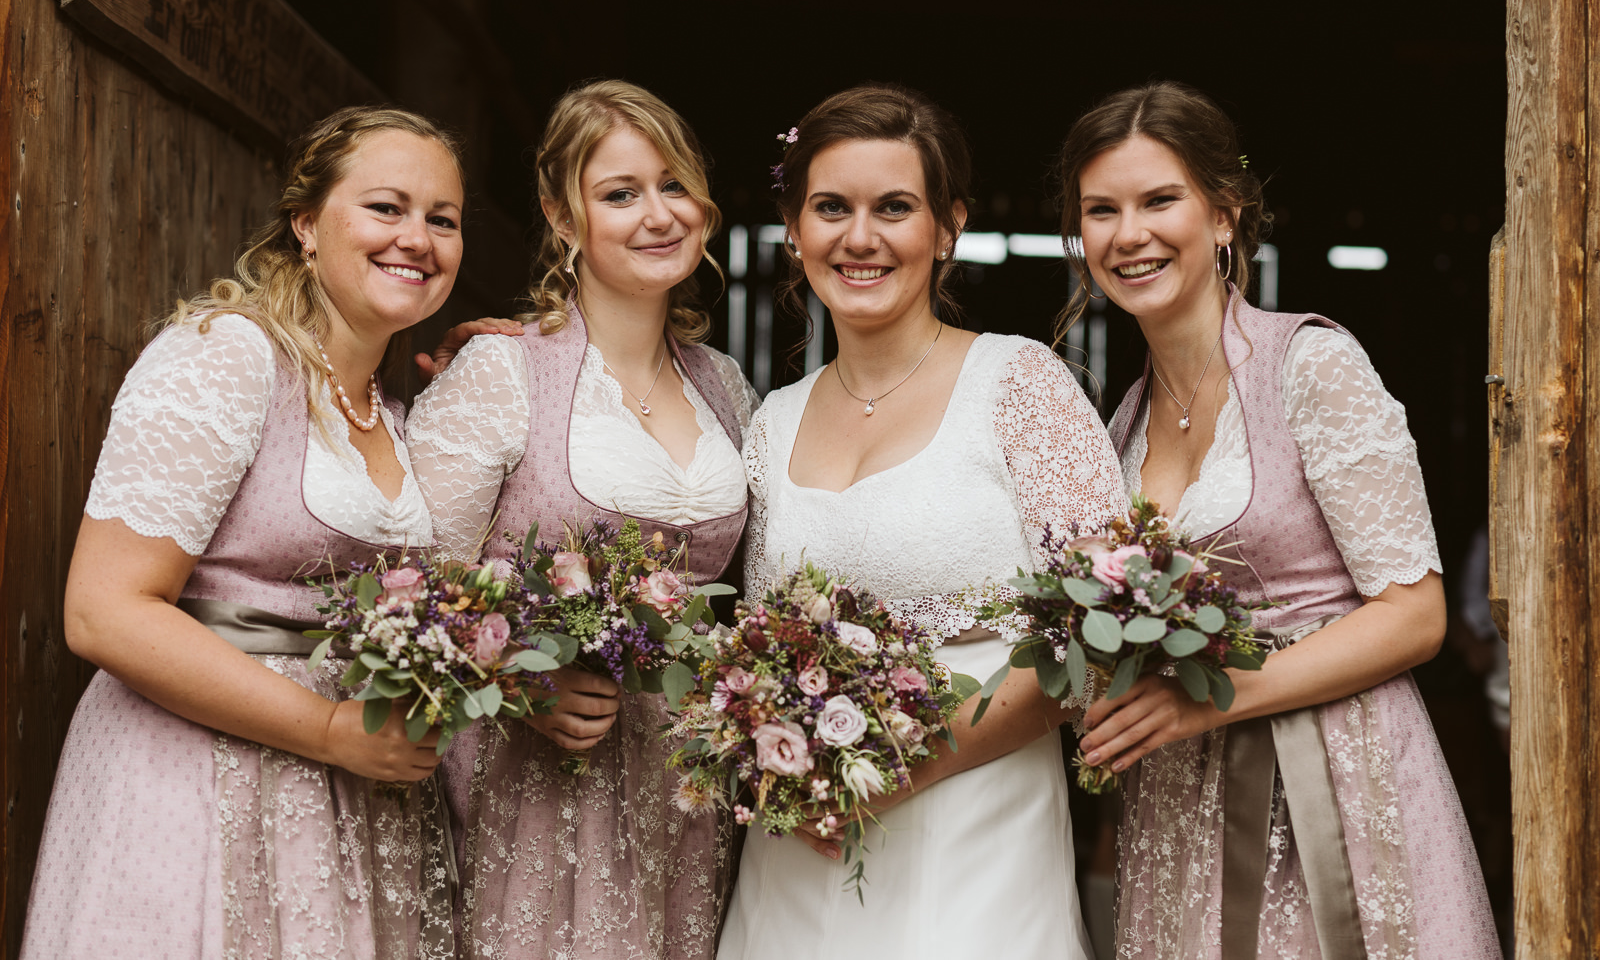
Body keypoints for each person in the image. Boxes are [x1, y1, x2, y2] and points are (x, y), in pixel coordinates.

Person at [21, 106, 475, 959]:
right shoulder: (227, 358)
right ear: (306, 223)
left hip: (355, 811)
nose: (417, 237)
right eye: (386, 207)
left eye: (442, 220)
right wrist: (332, 729)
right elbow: (104, 608)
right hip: (192, 782)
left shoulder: (405, 415)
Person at [1064, 82, 1500, 958]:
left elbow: (1414, 614)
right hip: (1181, 804)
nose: (1128, 233)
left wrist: (1206, 701)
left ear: (1224, 216)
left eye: (1159, 200)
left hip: (1333, 777)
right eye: (1100, 211)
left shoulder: (1313, 366)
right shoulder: (1121, 426)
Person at [717, 84, 1125, 960]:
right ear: (794, 228)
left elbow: (1108, 632)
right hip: (805, 837)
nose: (859, 237)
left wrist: (905, 766)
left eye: (893, 208)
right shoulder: (770, 423)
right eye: (831, 207)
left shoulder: (1022, 386)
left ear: (947, 228)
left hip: (977, 823)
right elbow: (756, 646)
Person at [407, 80, 757, 960]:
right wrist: (523, 680)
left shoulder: (726, 387)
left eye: (674, 185)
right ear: (564, 218)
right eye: (620, 193)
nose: (657, 214)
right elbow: (410, 586)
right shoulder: (501, 371)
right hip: (535, 782)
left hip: (683, 792)